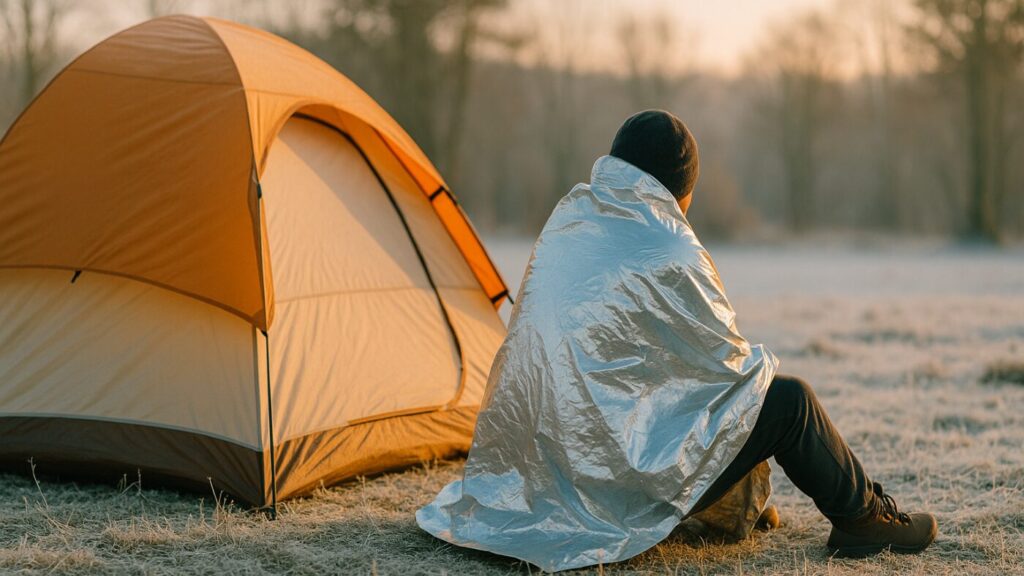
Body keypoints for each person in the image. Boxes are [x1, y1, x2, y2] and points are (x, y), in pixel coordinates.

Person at [417, 110, 937, 572]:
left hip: (530, 480)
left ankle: (757, 507)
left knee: (721, 397)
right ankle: (863, 519)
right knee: (786, 401)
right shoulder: (669, 244)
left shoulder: (569, 219)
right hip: (608, 488)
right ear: (680, 189)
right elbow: (730, 377)